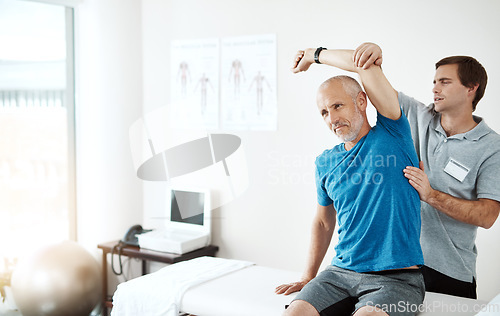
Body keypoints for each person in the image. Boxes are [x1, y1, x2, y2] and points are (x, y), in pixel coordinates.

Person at [275, 46, 425, 316]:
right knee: (294, 313)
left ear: (361, 101)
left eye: (337, 106)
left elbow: (364, 66)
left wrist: (314, 54)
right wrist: (309, 275)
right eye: (323, 112)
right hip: (339, 274)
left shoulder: (393, 134)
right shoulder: (325, 162)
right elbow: (323, 221)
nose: (331, 119)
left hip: (397, 279)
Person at [351, 43, 500, 299]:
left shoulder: (492, 147)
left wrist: (431, 195)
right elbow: (368, 73)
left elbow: (487, 215)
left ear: (471, 88)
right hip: (398, 263)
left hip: (450, 273)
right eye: (434, 81)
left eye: (444, 81)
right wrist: (316, 54)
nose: (435, 88)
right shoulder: (416, 114)